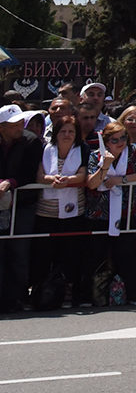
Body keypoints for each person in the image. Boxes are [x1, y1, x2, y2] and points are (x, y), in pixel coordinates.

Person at [85, 120, 136, 305]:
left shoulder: (132, 153)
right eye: (115, 140)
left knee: (127, 256)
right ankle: (95, 296)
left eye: (123, 137)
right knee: (97, 257)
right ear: (106, 141)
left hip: (125, 213)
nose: (120, 142)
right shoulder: (96, 156)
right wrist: (105, 165)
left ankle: (132, 294)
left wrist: (121, 179)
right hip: (99, 214)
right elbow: (91, 183)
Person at [36, 114, 91, 308]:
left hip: (73, 211)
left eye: (71, 131)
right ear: (56, 133)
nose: (67, 135)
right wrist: (51, 180)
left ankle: (69, 293)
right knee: (44, 255)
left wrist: (68, 180)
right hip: (46, 211)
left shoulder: (82, 149)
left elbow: (83, 174)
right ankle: (42, 294)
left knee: (71, 255)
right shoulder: (46, 149)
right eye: (63, 131)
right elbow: (40, 174)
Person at [0, 103, 45, 313]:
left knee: (19, 250)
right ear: (2, 127)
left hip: (23, 204)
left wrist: (11, 181)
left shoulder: (31, 141)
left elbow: (30, 172)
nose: (18, 127)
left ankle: (17, 298)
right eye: (12, 124)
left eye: (19, 122)